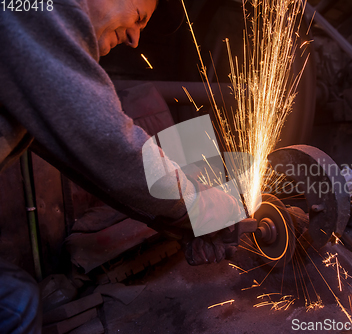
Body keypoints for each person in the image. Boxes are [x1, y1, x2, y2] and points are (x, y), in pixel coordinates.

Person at [0, 0, 240, 332]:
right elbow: (110, 144)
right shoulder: (40, 9)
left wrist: (184, 225)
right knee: (16, 306)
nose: (134, 39)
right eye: (138, 18)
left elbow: (90, 165)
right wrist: (202, 203)